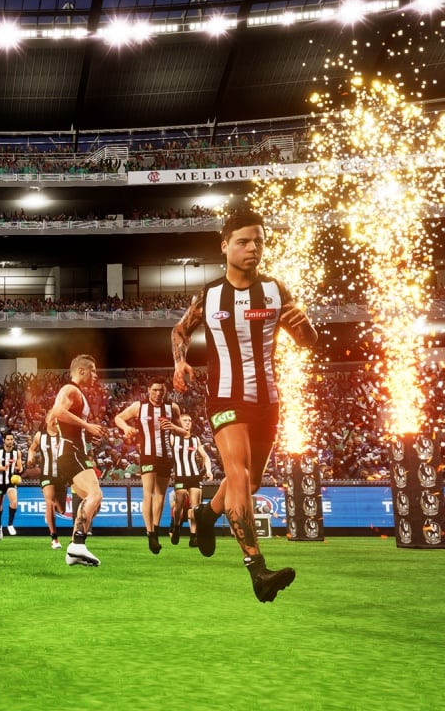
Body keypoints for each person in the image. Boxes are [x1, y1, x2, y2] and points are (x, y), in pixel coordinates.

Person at [172, 208, 318, 602]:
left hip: (267, 400)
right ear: (225, 246)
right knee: (237, 475)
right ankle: (257, 569)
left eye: (258, 241)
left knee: (251, 482)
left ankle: (207, 514)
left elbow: (308, 341)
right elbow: (180, 331)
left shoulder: (276, 290)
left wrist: (304, 323)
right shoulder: (210, 295)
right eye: (243, 241)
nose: (253, 248)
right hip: (224, 397)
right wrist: (179, 361)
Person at [47, 354, 107, 566]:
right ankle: (77, 545)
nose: (96, 375)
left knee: (95, 503)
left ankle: (75, 550)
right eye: (93, 370)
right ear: (81, 371)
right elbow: (57, 412)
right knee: (95, 495)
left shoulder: (76, 393)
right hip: (71, 452)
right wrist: (87, 426)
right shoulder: (70, 389)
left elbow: (55, 421)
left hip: (73, 451)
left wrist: (85, 434)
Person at [113, 378, 183, 554]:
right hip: (148, 454)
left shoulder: (172, 407)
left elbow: (183, 431)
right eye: (155, 390)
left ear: (165, 392)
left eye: (161, 391)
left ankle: (156, 530)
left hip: (166, 456)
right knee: (148, 494)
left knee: (160, 495)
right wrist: (126, 428)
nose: (158, 394)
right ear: (149, 390)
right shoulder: (139, 406)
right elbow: (118, 418)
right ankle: (150, 532)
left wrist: (173, 427)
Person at [168, 413, 213, 546]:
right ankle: (176, 527)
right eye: (185, 420)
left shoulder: (195, 439)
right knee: (179, 506)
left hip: (194, 475)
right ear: (179, 423)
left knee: (195, 508)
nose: (188, 422)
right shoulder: (173, 437)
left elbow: (205, 456)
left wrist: (209, 470)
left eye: (189, 420)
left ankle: (193, 536)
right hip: (180, 476)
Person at [28, 417, 65, 550]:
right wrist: (30, 458)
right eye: (53, 420)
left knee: (61, 510)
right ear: (48, 421)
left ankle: (49, 514)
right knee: (49, 501)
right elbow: (32, 449)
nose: (55, 423)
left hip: (62, 475)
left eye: (57, 421)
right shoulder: (40, 435)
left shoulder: (64, 435)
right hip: (46, 473)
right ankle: (54, 538)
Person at [0, 433, 23, 539]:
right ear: (4, 440)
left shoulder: (17, 452)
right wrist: (4, 468)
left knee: (14, 502)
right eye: (8, 439)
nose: (10, 441)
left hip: (11, 482)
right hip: (0, 482)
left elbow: (20, 467)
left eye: (11, 439)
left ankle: (10, 524)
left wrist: (19, 469)